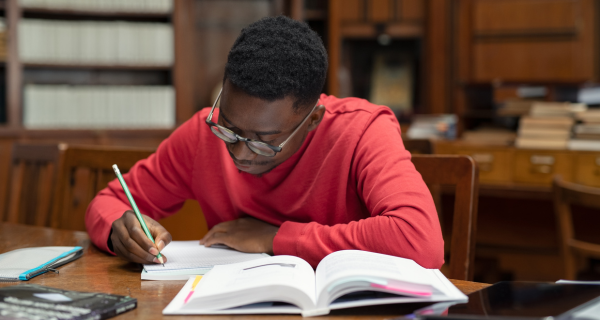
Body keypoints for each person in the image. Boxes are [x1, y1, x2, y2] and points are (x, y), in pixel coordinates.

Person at [85, 16, 444, 269]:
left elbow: (419, 239)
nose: (239, 152)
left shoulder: (362, 130)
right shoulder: (201, 135)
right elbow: (109, 202)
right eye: (228, 126)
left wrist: (277, 239)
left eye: (264, 142)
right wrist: (120, 229)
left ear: (312, 120)